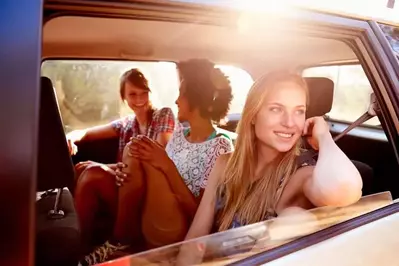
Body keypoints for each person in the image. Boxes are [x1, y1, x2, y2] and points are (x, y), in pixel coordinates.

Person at [78, 59, 235, 266]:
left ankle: (120, 240)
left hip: (180, 226)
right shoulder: (179, 136)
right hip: (153, 210)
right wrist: (121, 171)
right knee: (93, 173)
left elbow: (202, 214)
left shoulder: (221, 147)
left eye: (182, 94)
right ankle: (76, 252)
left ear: (197, 99)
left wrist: (166, 166)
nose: (177, 100)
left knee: (136, 149)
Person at [182, 70, 363, 243]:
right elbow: (196, 237)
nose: (290, 122)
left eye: (299, 111)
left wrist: (324, 137)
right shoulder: (225, 164)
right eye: (276, 109)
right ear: (253, 114)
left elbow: (345, 189)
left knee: (295, 219)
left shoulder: (300, 176)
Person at [72, 68, 176, 252]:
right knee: (84, 169)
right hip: (126, 189)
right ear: (124, 97)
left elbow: (159, 157)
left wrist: (114, 167)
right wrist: (71, 138)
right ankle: (80, 248)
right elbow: (88, 133)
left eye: (144, 93)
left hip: (152, 195)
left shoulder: (163, 115)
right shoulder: (126, 124)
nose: (139, 100)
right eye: (133, 94)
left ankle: (119, 241)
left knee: (93, 172)